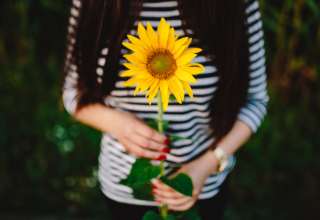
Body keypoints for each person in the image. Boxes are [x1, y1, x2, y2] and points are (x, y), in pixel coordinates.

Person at [61, 0, 269, 219]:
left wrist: (209, 162)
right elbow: (73, 92)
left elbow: (255, 100)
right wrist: (117, 124)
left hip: (203, 186)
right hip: (125, 189)